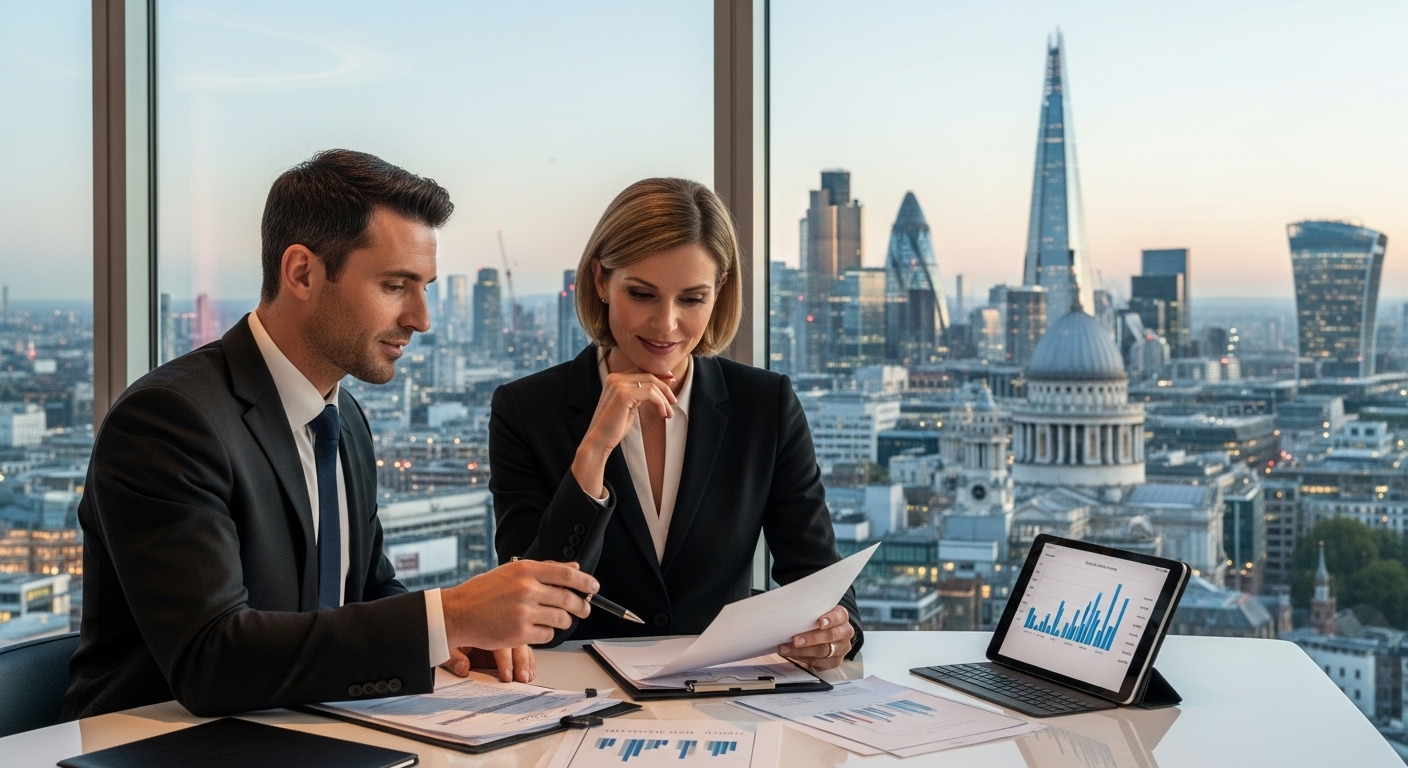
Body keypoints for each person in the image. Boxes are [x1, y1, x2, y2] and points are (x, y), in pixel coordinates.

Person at [63, 150, 599, 720]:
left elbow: (367, 593)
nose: (421, 318)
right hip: (157, 749)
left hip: (304, 736)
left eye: (426, 288)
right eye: (395, 285)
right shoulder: (170, 421)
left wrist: (451, 640)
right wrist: (450, 614)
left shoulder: (344, 421)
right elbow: (211, 659)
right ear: (302, 273)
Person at [491, 178, 862, 670]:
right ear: (600, 281)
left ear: (719, 291)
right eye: (642, 294)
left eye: (692, 299)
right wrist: (594, 453)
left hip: (726, 694)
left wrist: (838, 630)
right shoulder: (526, 409)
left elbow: (819, 578)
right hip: (580, 693)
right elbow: (535, 616)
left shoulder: (764, 404)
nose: (666, 324)